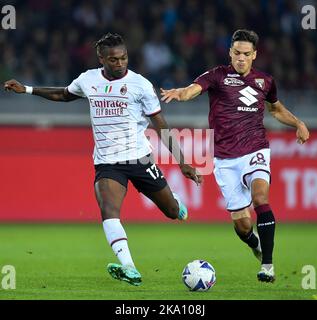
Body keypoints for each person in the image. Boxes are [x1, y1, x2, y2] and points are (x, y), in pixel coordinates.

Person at [4, 32, 202, 286]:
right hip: (107, 163)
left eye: (124, 58)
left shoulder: (140, 85)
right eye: (114, 59)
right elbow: (65, 94)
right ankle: (129, 267)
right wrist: (28, 89)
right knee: (109, 210)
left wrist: (182, 161)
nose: (120, 63)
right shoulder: (88, 80)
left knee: (173, 212)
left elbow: (161, 125)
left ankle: (174, 201)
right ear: (101, 58)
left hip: (140, 160)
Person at [160, 29, 310, 283]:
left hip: (255, 149)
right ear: (230, 52)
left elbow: (276, 109)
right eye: (237, 53)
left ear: (254, 55)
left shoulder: (265, 81)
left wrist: (298, 123)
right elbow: (193, 89)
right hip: (225, 160)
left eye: (246, 54)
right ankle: (254, 244)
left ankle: (268, 265)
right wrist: (181, 93)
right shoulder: (217, 76)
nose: (241, 58)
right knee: (242, 227)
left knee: (260, 196)